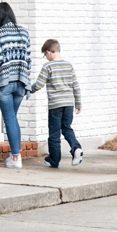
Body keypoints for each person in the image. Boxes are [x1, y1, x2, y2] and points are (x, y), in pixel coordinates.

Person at [0, 2, 31, 169]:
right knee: (12, 118)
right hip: (21, 82)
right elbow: (28, 60)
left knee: (10, 119)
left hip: (4, 82)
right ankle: (14, 155)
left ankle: (16, 158)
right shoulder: (24, 32)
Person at [30, 39, 82, 168]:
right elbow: (75, 86)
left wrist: (28, 90)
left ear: (49, 52)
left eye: (45, 55)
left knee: (54, 133)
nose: (46, 57)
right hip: (69, 104)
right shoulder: (68, 66)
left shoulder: (48, 66)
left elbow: (39, 84)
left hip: (55, 105)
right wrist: (78, 104)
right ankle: (76, 148)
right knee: (67, 128)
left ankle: (54, 160)